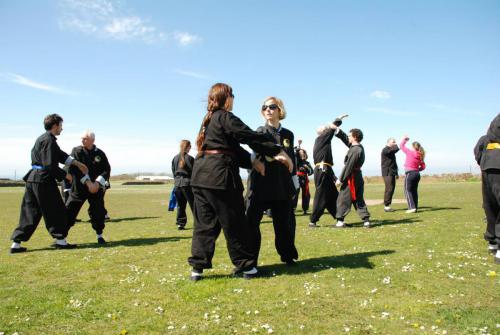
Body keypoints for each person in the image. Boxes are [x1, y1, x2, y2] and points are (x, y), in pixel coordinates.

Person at [188, 83, 291, 281]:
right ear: (227, 98)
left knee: (204, 225)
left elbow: (232, 147)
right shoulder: (224, 117)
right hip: (220, 178)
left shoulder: (208, 120)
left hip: (200, 177)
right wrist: (275, 150)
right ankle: (247, 268)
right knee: (235, 223)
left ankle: (197, 268)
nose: (234, 99)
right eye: (232, 95)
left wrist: (253, 162)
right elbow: (247, 136)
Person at [10, 114, 88, 253]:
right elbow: (49, 165)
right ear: (55, 125)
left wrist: (76, 163)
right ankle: (61, 241)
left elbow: (60, 155)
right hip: (43, 181)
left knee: (30, 212)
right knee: (56, 210)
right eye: (61, 126)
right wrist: (66, 175)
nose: (62, 129)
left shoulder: (43, 139)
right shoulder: (49, 141)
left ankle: (16, 244)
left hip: (33, 180)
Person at [246, 96, 299, 266]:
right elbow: (253, 156)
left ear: (279, 110)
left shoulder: (288, 134)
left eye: (272, 107)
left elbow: (292, 158)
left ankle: (287, 256)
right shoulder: (260, 132)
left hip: (282, 184)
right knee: (251, 223)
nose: (268, 109)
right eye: (264, 107)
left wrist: (294, 181)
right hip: (261, 184)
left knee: (285, 224)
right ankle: (250, 261)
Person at [65, 130, 111, 244]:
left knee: (98, 212)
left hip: (96, 189)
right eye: (81, 138)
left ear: (92, 140)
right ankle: (61, 238)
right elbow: (73, 169)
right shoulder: (76, 151)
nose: (82, 140)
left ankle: (99, 235)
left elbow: (106, 170)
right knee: (69, 210)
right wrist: (87, 182)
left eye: (85, 138)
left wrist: (97, 183)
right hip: (79, 188)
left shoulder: (100, 153)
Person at [308, 115, 346, 228]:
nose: (328, 131)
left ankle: (339, 220)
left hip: (325, 169)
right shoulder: (320, 139)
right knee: (321, 195)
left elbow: (327, 165)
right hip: (322, 170)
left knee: (333, 196)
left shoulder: (323, 142)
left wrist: (334, 178)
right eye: (326, 130)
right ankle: (313, 221)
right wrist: (338, 120)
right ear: (323, 132)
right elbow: (331, 129)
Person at [332, 126, 371, 228]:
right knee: (358, 199)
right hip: (357, 177)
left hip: (351, 178)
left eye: (350, 136)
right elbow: (346, 140)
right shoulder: (358, 147)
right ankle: (366, 220)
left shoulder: (355, 150)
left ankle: (340, 221)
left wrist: (340, 179)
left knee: (343, 198)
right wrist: (338, 130)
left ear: (355, 137)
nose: (348, 137)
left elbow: (348, 166)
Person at [474, 114, 500, 263]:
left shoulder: (485, 138)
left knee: (490, 205)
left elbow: (477, 151)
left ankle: (492, 241)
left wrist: (484, 163)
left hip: (488, 166)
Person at [171, 139, 195, 230]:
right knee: (194, 204)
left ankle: (180, 224)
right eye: (190, 146)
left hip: (177, 184)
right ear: (188, 147)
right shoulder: (190, 158)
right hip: (188, 184)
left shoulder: (175, 158)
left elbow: (174, 171)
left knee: (180, 205)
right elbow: (194, 172)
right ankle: (198, 223)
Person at [400, 136, 426, 213]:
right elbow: (423, 166)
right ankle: (415, 207)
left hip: (410, 174)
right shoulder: (420, 155)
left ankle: (412, 208)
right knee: (414, 191)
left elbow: (401, 146)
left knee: (407, 190)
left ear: (413, 147)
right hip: (417, 174)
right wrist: (417, 170)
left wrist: (405, 139)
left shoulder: (410, 152)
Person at [381, 138, 399, 212]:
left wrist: (396, 173)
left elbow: (394, 163)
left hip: (392, 172)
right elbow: (395, 150)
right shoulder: (385, 149)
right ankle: (386, 206)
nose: (395, 143)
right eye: (393, 142)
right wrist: (398, 145)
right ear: (388, 142)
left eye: (395, 142)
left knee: (391, 188)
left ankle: (387, 205)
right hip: (387, 172)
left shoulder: (390, 151)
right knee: (389, 189)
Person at [294, 148, 313, 214]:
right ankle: (293, 208)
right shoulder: (297, 161)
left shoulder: (307, 163)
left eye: (303, 152)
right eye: (300, 152)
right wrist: (298, 148)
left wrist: (307, 168)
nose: (302, 153)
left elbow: (311, 172)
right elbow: (295, 154)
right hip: (297, 178)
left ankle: (305, 209)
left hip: (305, 179)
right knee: (295, 193)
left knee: (306, 194)